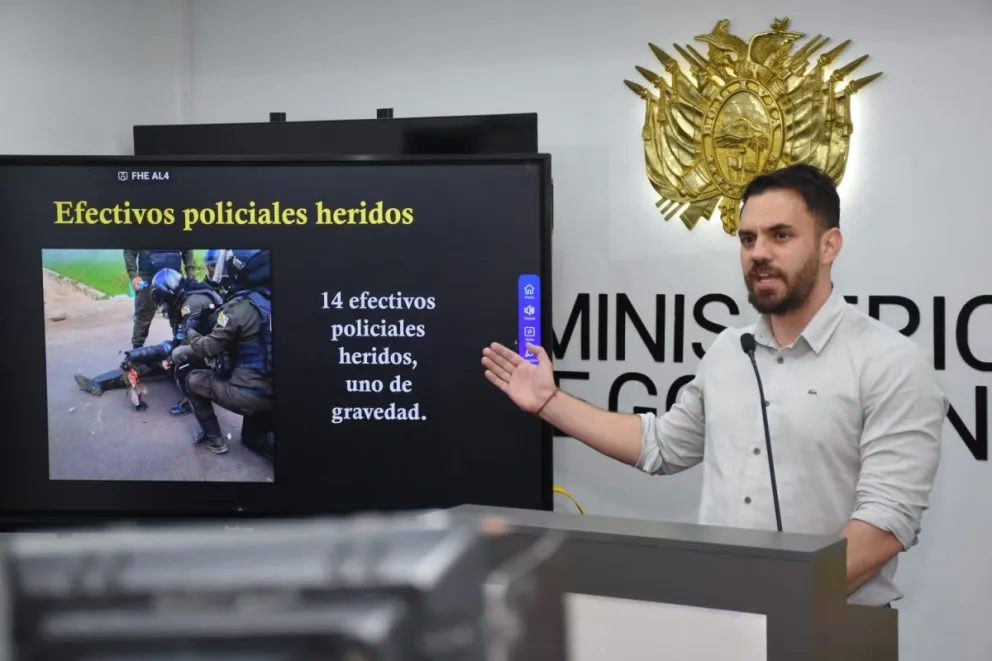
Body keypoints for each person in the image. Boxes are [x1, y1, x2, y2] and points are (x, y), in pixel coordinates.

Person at [481, 163, 947, 608]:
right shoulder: (729, 350)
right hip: (725, 621)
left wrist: (774, 598)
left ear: (830, 245)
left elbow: (885, 524)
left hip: (830, 626)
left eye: (780, 235)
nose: (759, 252)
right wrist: (549, 401)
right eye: (748, 239)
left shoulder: (890, 362)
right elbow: (661, 446)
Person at [171, 249, 274, 459]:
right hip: (273, 391)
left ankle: (215, 440)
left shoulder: (239, 307)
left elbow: (208, 347)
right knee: (251, 439)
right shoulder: (269, 297)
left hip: (248, 395)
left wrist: (191, 331)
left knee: (190, 377)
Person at [73, 267, 224, 405]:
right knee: (157, 356)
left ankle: (192, 402)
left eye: (164, 299)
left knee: (175, 358)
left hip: (213, 354)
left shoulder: (192, 304)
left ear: (170, 293)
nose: (163, 304)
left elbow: (185, 342)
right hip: (199, 344)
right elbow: (179, 336)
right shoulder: (181, 298)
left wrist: (169, 360)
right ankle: (100, 383)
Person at [124, 249, 197, 348]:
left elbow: (187, 248)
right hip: (147, 275)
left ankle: (180, 348)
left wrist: (191, 274)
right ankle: (136, 350)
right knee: (144, 311)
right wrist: (133, 276)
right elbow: (130, 248)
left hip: (174, 273)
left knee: (180, 312)